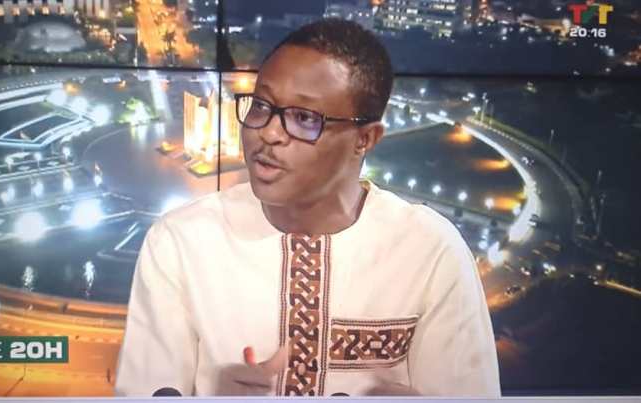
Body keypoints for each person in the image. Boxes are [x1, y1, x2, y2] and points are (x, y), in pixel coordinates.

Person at [115, 18, 500, 397]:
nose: (268, 132)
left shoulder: (431, 252)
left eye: (303, 118)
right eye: (261, 106)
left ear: (364, 139)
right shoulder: (180, 242)